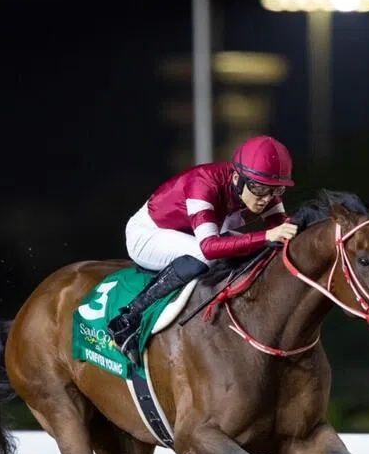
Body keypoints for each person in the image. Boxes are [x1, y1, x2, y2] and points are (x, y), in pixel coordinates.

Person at [106, 135, 300, 365]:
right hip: (148, 235)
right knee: (207, 256)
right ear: (237, 178)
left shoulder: (263, 192)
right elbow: (209, 247)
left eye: (275, 190)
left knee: (256, 250)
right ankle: (128, 318)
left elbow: (282, 230)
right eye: (258, 188)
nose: (266, 199)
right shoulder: (203, 183)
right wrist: (267, 236)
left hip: (193, 235)